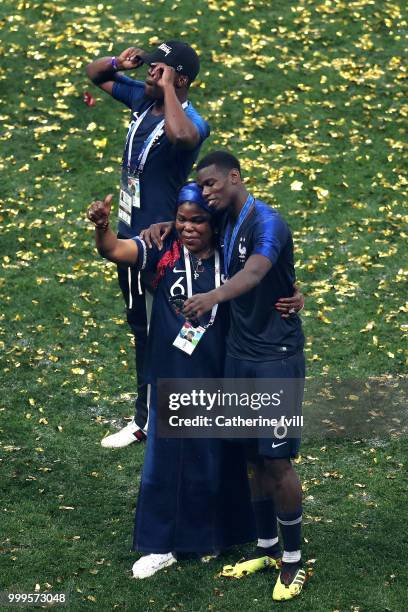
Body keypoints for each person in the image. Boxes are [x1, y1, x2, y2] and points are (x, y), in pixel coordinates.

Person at [87, 183, 256, 578]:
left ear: (213, 223)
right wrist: (102, 227)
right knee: (167, 464)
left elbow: (264, 280)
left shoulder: (231, 257)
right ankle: (160, 546)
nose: (188, 227)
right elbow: (113, 250)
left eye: (197, 220)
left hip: (217, 376)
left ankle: (212, 535)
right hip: (172, 377)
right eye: (182, 219)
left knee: (214, 460)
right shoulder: (161, 249)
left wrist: (293, 296)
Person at [180, 151, 307, 601]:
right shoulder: (225, 221)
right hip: (239, 354)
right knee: (252, 456)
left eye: (212, 184)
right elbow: (184, 231)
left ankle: (293, 561)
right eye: (203, 186)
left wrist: (211, 297)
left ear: (235, 177)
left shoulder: (267, 222)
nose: (207, 191)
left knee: (277, 460)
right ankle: (267, 548)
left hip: (275, 358)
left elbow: (255, 272)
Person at [86, 40, 210, 447]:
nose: (149, 74)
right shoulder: (142, 100)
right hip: (130, 235)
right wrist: (115, 62)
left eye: (160, 69)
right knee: (142, 327)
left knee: (179, 328)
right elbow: (96, 76)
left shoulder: (190, 119)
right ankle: (148, 418)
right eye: (151, 68)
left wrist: (170, 88)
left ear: (181, 79)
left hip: (164, 242)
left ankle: (172, 413)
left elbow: (181, 137)